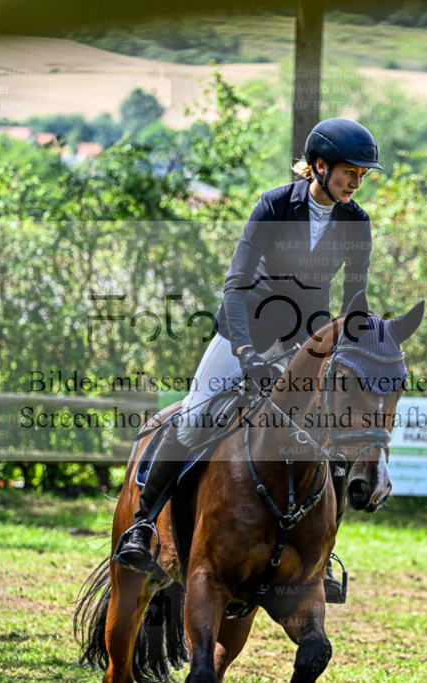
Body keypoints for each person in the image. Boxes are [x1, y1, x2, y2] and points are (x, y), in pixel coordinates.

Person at [113, 118, 383, 600]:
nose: (356, 182)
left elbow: (354, 296)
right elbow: (236, 284)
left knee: (330, 433)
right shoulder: (275, 205)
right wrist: (245, 353)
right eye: (349, 172)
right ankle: (143, 525)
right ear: (319, 167)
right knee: (195, 417)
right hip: (243, 332)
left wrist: (350, 347)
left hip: (305, 342)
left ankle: (321, 557)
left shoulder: (355, 222)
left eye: (363, 175)